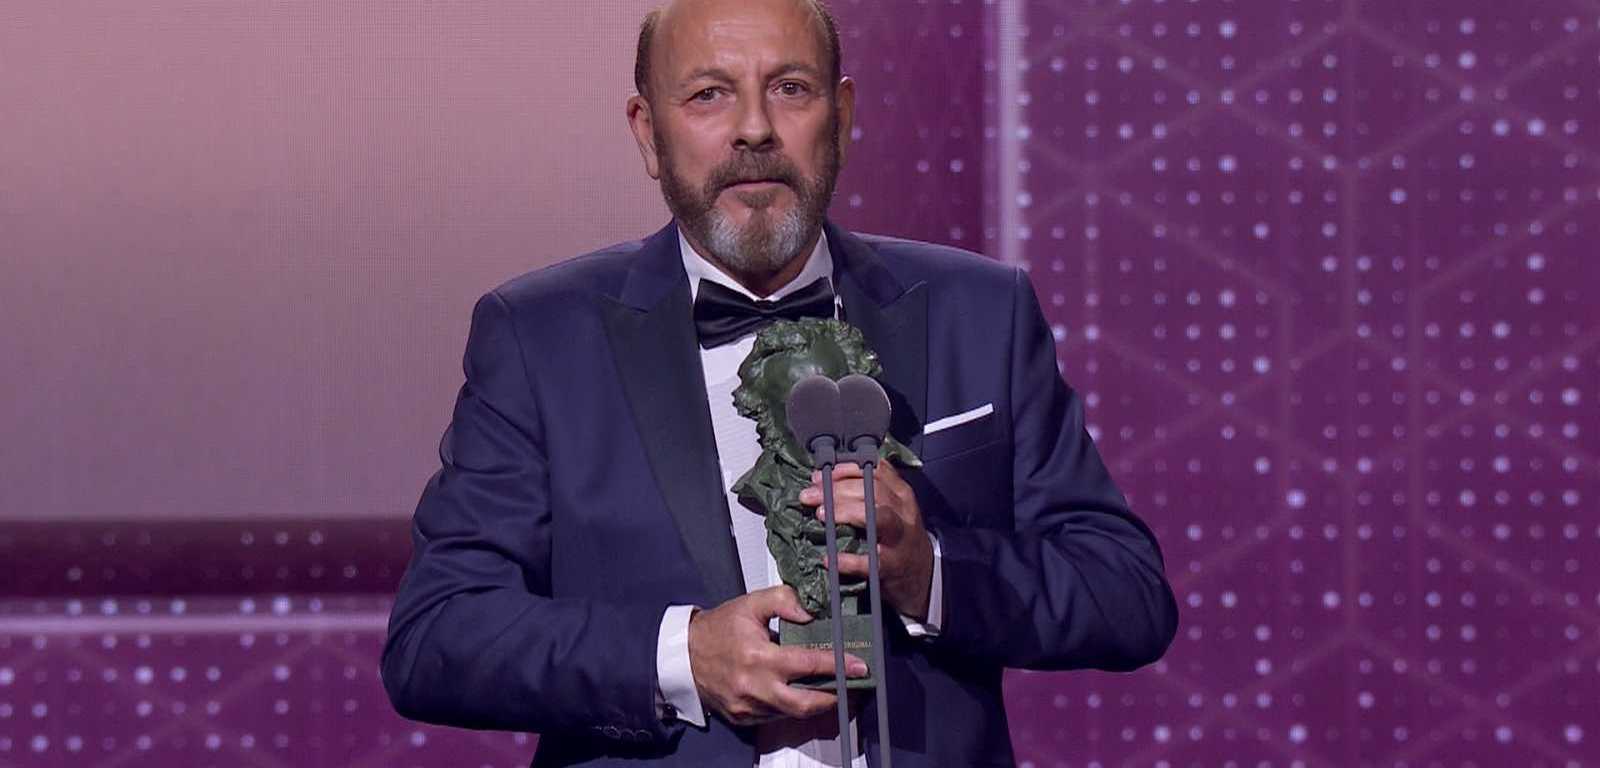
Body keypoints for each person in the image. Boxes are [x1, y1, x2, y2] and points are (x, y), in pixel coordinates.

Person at [380, 0, 1179, 765]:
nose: (755, 128)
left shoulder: (981, 312)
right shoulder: (540, 336)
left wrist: (931, 572)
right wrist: (682, 656)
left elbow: (1127, 595)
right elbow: (439, 636)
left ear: (843, 117)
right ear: (648, 132)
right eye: (708, 94)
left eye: (790, 89)